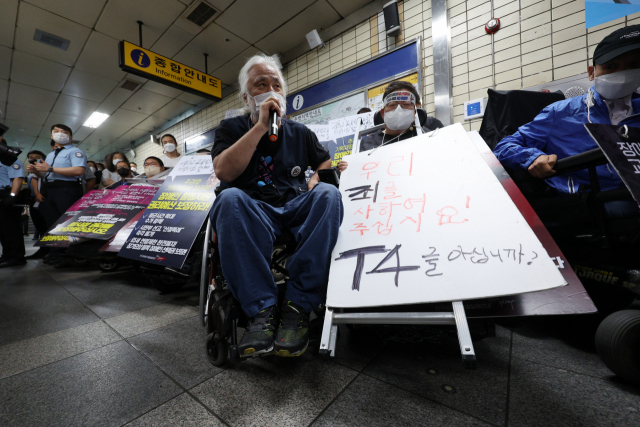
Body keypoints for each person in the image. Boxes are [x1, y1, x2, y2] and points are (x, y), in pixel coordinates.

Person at [210, 53, 343, 358]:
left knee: (328, 195)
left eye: (276, 85)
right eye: (261, 84)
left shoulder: (300, 133)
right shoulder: (230, 129)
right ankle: (262, 311)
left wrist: (315, 182)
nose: (271, 90)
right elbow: (224, 172)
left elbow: (323, 163)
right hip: (252, 211)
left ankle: (298, 306)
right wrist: (258, 127)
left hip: (293, 207)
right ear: (247, 97)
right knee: (229, 198)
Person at [493, 24, 640, 218]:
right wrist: (533, 157)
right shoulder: (560, 112)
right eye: (611, 67)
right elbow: (504, 146)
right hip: (594, 199)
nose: (622, 74)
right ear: (591, 72)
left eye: (633, 66)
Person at [337, 81, 444, 172]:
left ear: (414, 111)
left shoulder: (429, 136)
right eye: (392, 105)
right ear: (383, 113)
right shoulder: (367, 145)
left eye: (406, 104)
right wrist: (348, 172)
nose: (399, 110)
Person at [26, 124, 87, 266]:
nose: (60, 134)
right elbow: (46, 173)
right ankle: (56, 252)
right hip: (50, 190)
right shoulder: (51, 154)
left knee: (67, 223)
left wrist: (50, 168)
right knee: (52, 223)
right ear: (52, 136)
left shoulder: (75, 152)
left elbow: (79, 170)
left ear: (70, 137)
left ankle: (70, 255)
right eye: (56, 132)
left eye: (64, 132)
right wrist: (36, 171)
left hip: (66, 189)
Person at [0, 136, 26, 268]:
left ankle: (17, 257)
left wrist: (12, 195)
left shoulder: (10, 159)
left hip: (7, 195)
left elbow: (18, 178)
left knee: (11, 228)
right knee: (2, 229)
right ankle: (7, 255)